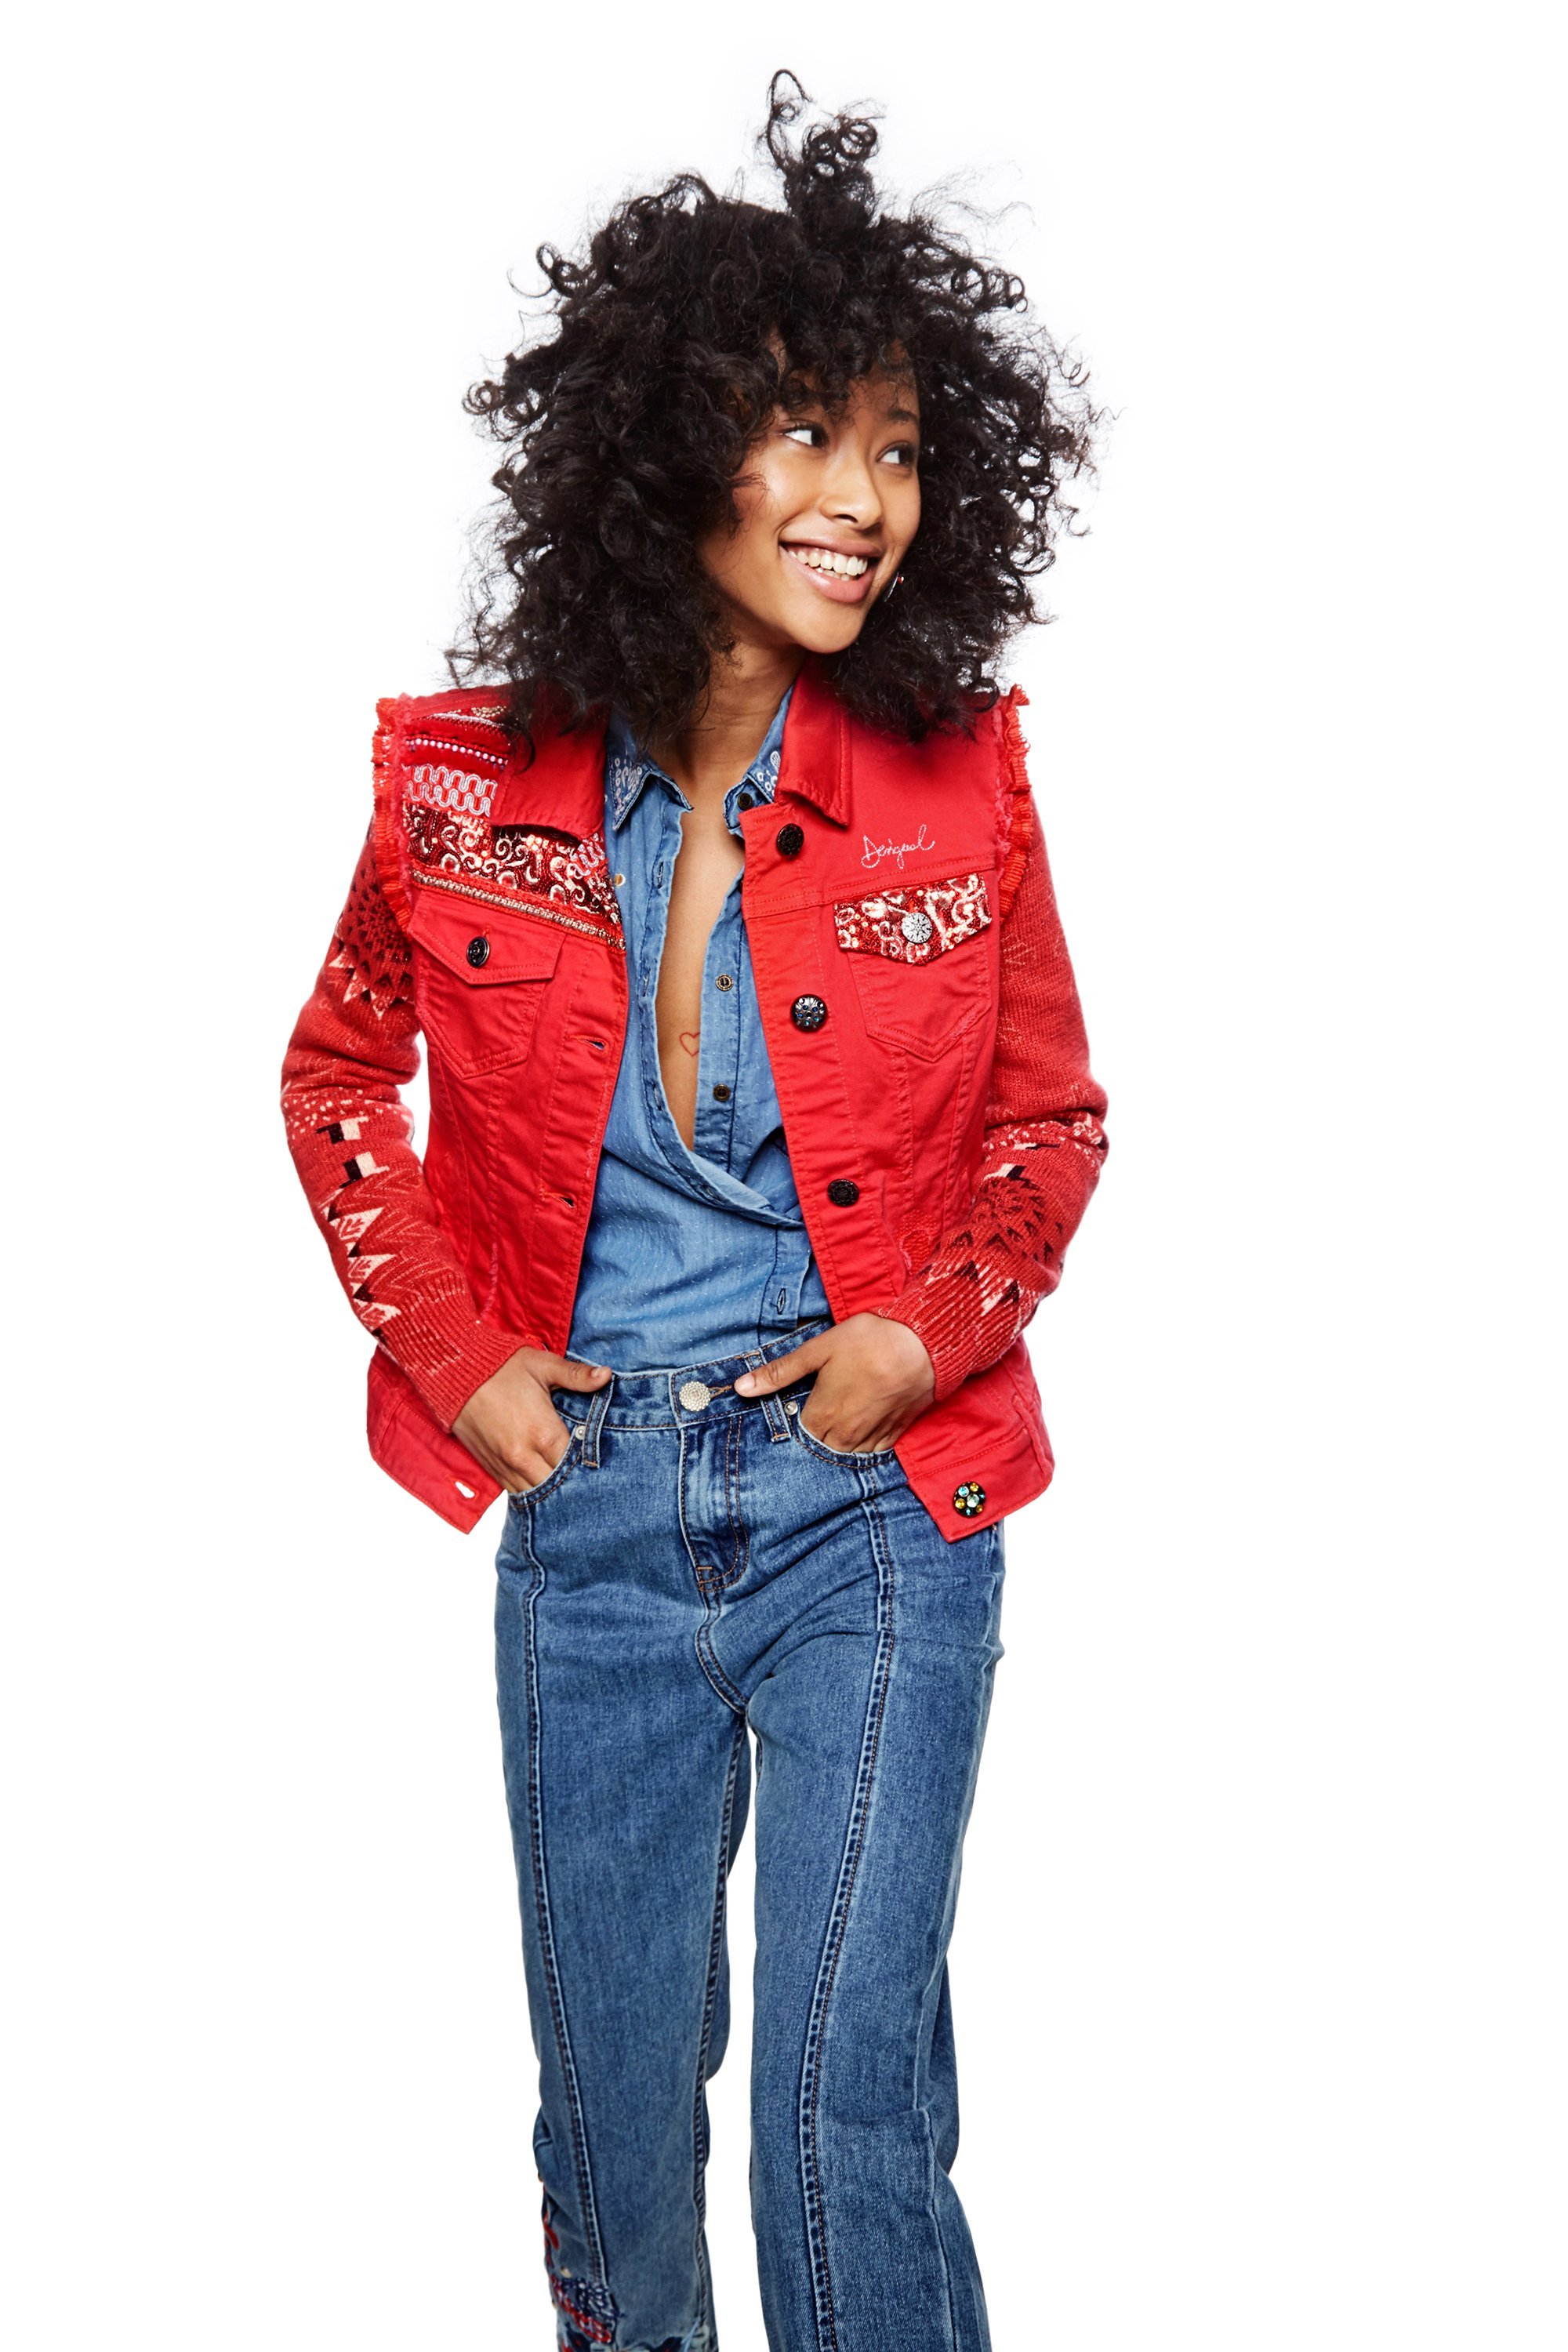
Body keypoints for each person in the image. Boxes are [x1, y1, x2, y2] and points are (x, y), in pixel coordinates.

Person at [281, 71, 1108, 2352]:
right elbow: (339, 1077)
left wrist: (921, 1338)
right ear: (666, 459)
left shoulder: (964, 783)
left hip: (876, 1506)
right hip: (594, 1510)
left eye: (903, 448)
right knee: (617, 2139)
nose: (865, 501)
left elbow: (1049, 1125)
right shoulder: (463, 787)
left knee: (848, 2117)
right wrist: (458, 1357)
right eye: (807, 435)